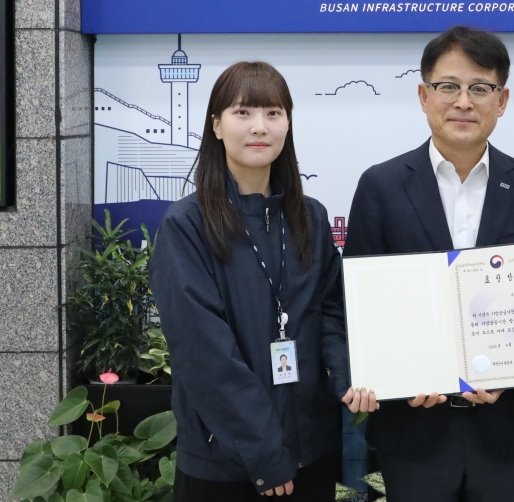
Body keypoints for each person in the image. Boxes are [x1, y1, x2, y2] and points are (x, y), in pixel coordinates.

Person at [343, 26, 514, 502]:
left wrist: (512, 372)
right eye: (448, 86)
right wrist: (400, 373)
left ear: (502, 100)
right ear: (423, 96)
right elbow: (358, 299)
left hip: (508, 426)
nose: (463, 102)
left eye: (480, 88)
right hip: (414, 428)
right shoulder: (381, 187)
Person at [150, 61, 377, 501]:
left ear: (287, 124)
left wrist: (348, 378)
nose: (259, 127)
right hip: (228, 462)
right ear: (216, 125)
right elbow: (205, 357)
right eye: (242, 112)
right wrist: (263, 452)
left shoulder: (309, 216)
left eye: (273, 113)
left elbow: (332, 311)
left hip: (310, 450)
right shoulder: (187, 225)